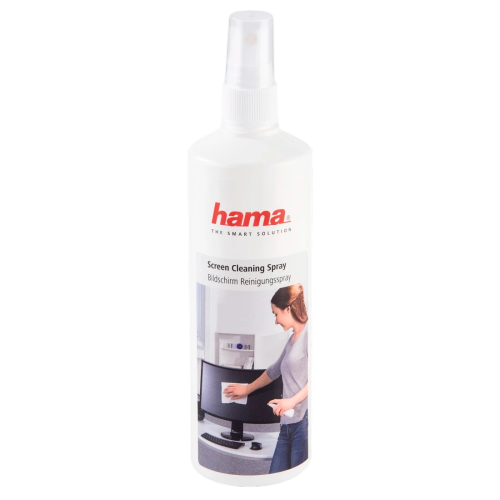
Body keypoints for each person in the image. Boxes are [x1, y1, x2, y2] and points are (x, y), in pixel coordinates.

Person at [223, 283, 309, 473]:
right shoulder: (293, 339)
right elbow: (274, 370)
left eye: (276, 314)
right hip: (287, 424)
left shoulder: (308, 335)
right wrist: (246, 389)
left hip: (303, 423)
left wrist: (291, 401)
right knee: (275, 474)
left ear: (288, 309)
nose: (276, 321)